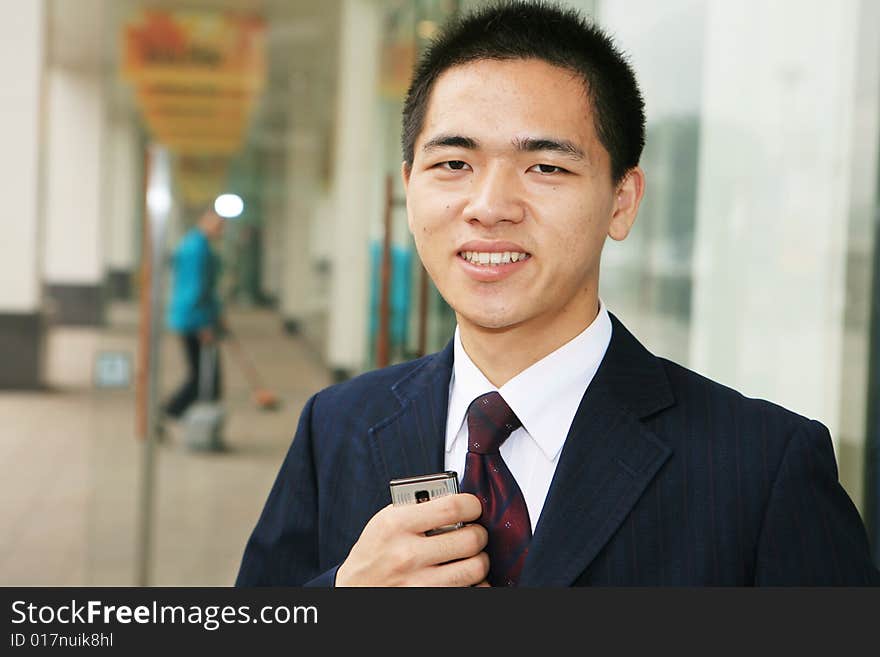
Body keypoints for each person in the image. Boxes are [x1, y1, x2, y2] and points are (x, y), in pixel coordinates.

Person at [236, 1, 880, 586]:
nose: (488, 207)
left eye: (545, 167)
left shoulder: (759, 468)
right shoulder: (337, 426)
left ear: (621, 202)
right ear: (410, 188)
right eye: (453, 164)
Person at [162, 208, 225, 424]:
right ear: (204, 220)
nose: (219, 230)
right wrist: (204, 324)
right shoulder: (198, 250)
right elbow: (196, 289)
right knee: (203, 377)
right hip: (194, 319)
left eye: (222, 226)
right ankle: (171, 412)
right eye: (216, 224)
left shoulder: (193, 244)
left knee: (204, 375)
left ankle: (179, 414)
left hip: (190, 316)